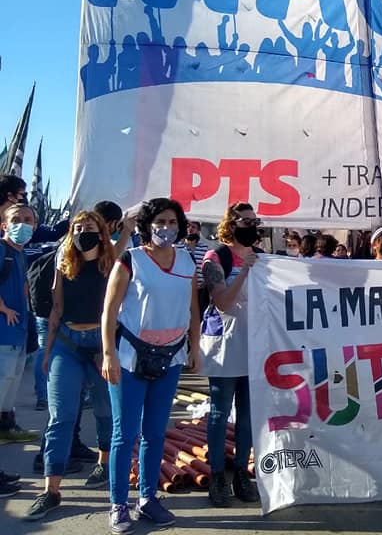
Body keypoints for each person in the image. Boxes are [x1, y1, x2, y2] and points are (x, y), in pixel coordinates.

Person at [101, 197, 200, 532]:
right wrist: (109, 354)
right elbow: (109, 310)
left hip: (170, 357)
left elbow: (193, 309)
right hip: (130, 357)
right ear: (147, 225)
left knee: (155, 433)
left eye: (173, 222)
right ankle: (117, 504)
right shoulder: (131, 260)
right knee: (124, 433)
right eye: (159, 222)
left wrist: (194, 347)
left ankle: (148, 498)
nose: (166, 229)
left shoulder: (187, 262)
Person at [24, 212, 116, 520]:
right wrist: (47, 352)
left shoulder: (113, 262)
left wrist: (110, 351)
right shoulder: (64, 262)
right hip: (67, 342)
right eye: (77, 228)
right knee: (60, 417)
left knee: (105, 412)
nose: (81, 232)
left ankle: (103, 464)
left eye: (89, 227)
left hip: (101, 343)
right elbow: (57, 309)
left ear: (102, 232)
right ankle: (51, 490)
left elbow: (116, 310)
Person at [200, 203, 261, 507]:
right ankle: (216, 476)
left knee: (248, 415)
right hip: (224, 344)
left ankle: (241, 473)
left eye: (254, 220)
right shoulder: (217, 257)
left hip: (254, 344)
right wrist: (245, 270)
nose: (250, 225)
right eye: (244, 220)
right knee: (219, 412)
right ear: (231, 223)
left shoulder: (261, 257)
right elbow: (222, 301)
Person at [0, 203, 40, 446]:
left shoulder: (21, 254)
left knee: (9, 388)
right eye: (16, 219)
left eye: (28, 219)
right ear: (4, 225)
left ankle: (6, 428)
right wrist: (3, 307)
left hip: (18, 333)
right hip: (3, 334)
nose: (22, 224)